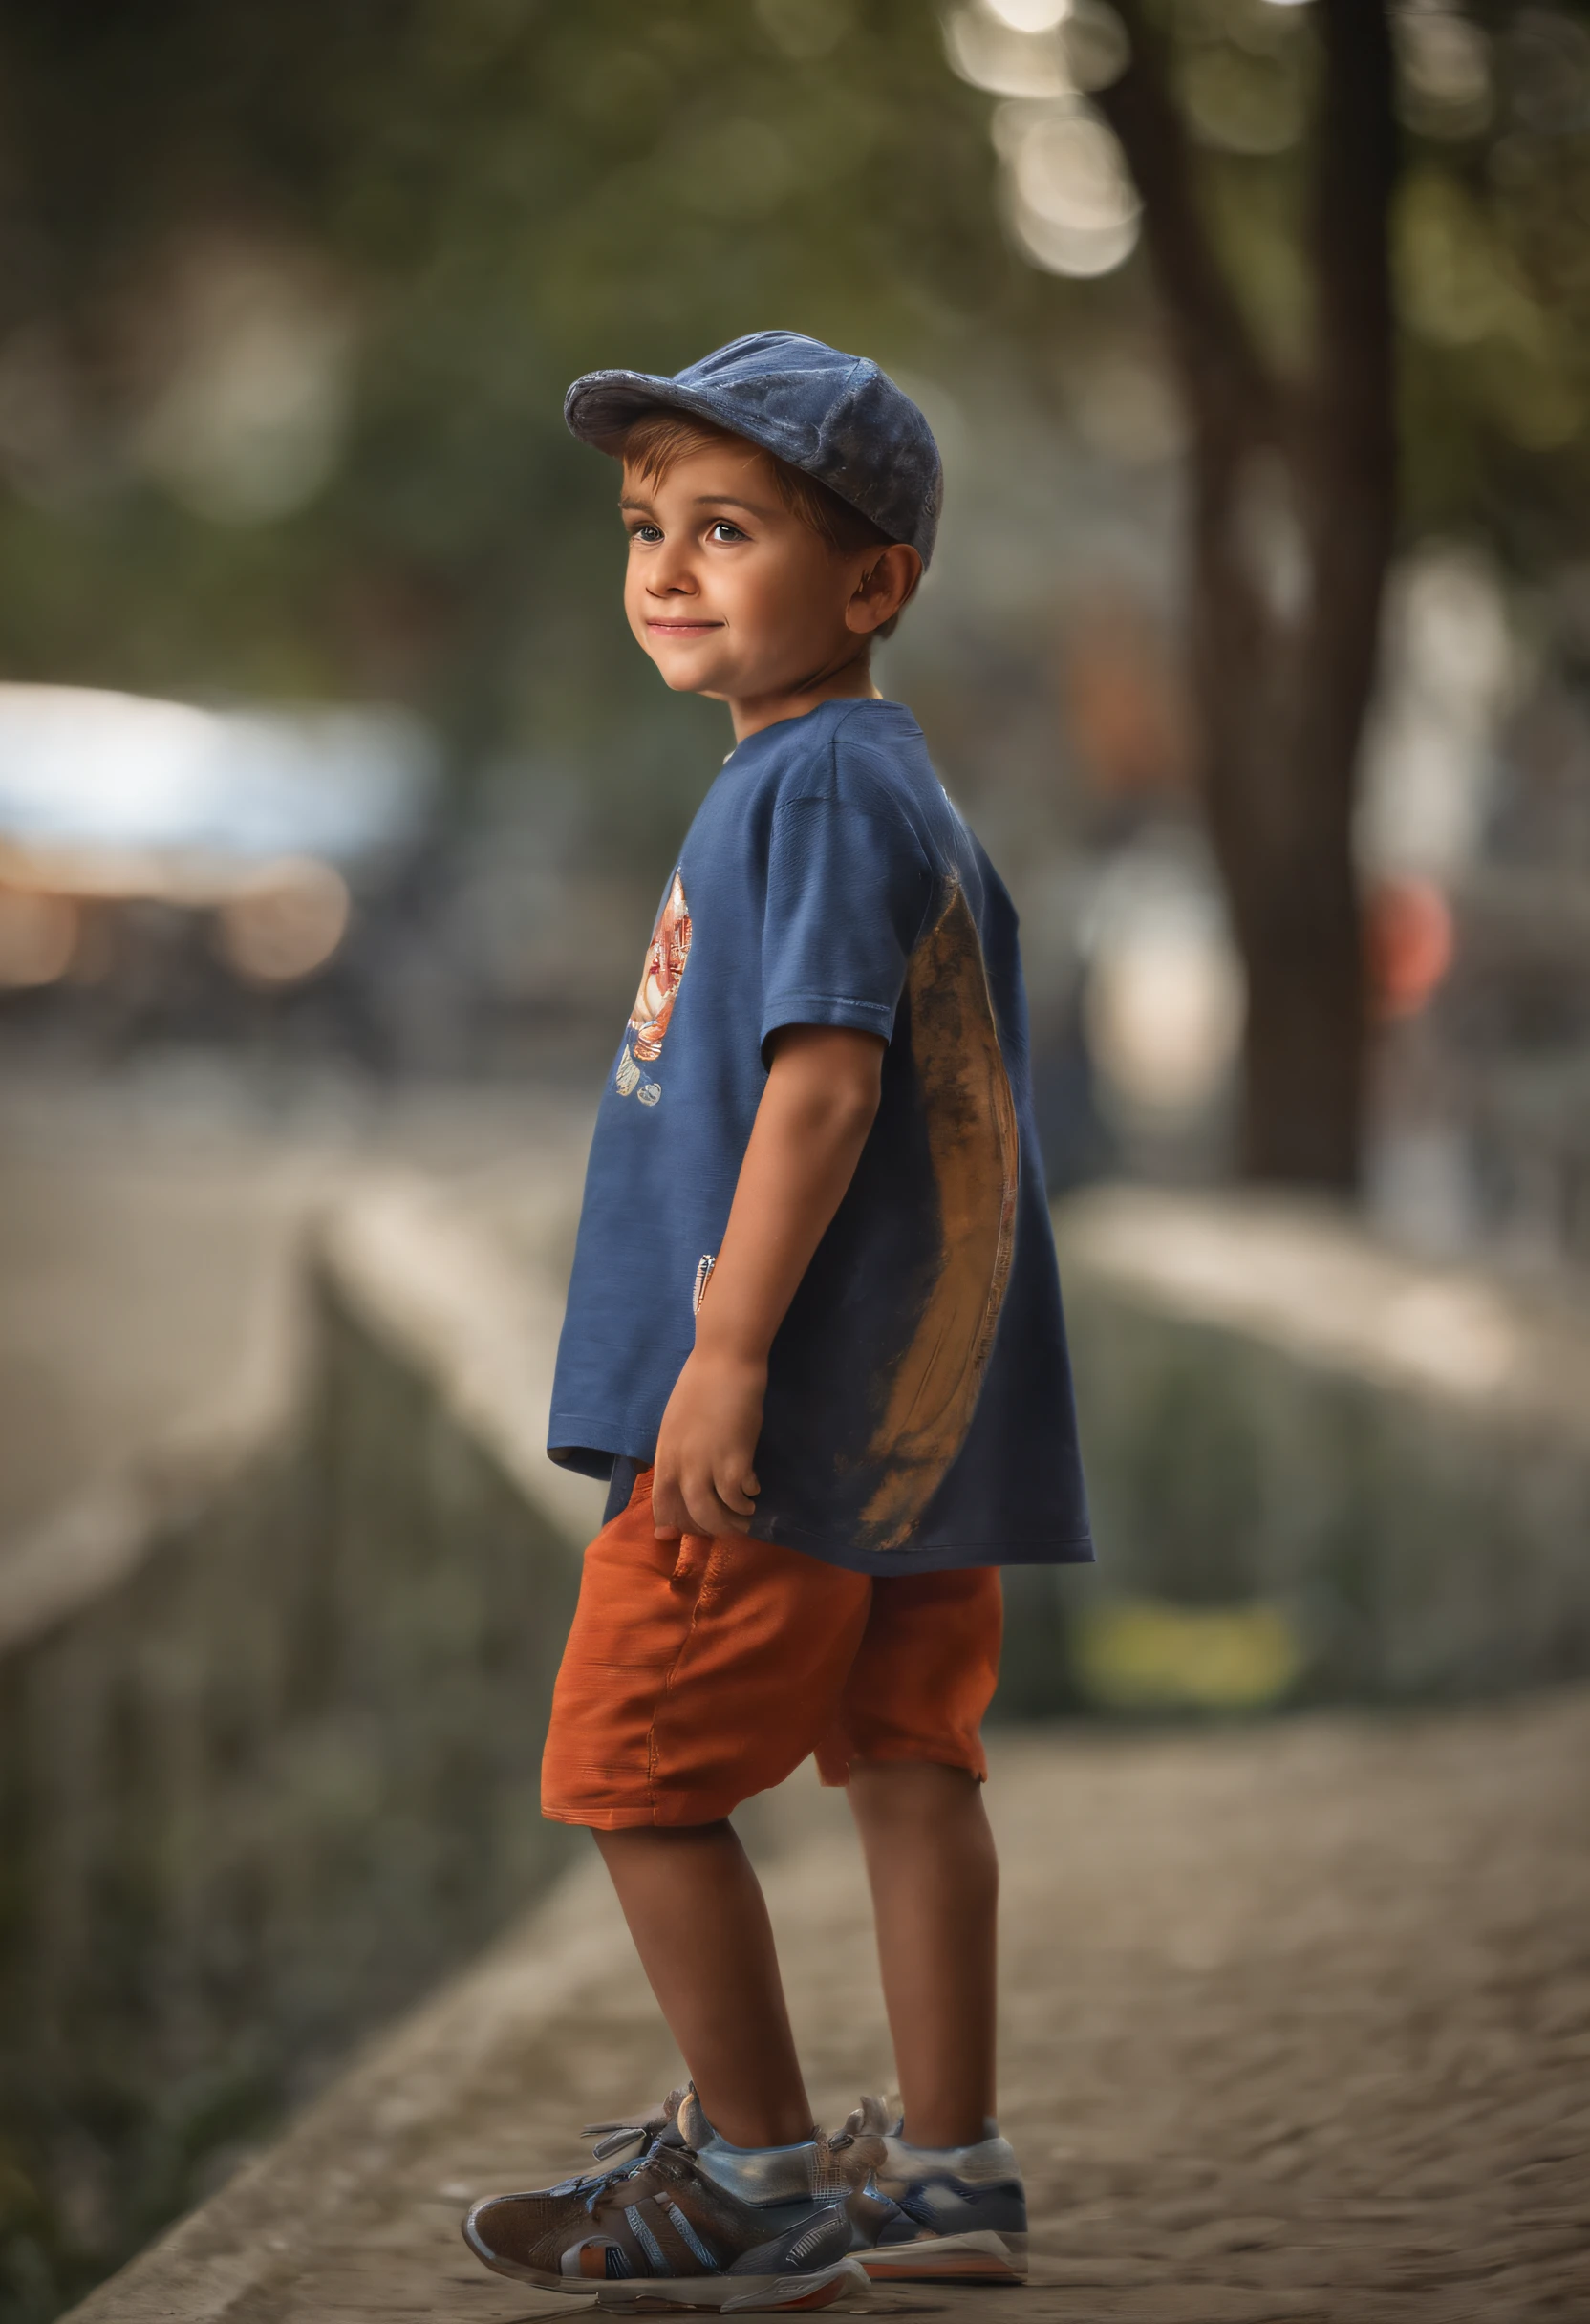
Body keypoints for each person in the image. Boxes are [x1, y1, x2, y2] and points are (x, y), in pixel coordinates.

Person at [462, 331, 1093, 2313]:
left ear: (872, 581)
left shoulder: (810, 787)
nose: (662, 563)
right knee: (911, 1762)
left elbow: (818, 1084)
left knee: (633, 1772)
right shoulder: (866, 786)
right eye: (647, 525)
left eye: (724, 528)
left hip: (787, 1416)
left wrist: (719, 1357)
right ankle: (946, 2164)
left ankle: (749, 2173)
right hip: (921, 1415)